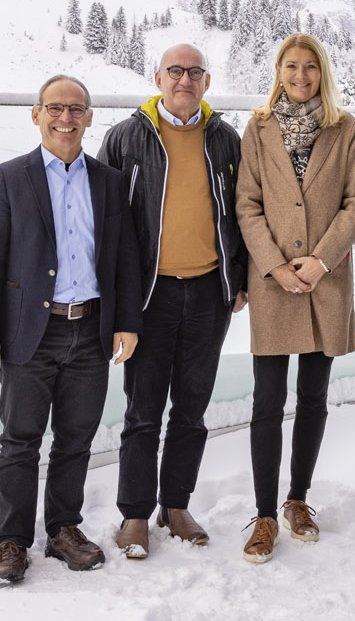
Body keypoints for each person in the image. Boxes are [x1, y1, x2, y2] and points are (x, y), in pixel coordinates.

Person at [0, 75, 143, 585]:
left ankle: (64, 529)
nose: (65, 118)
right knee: (19, 441)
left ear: (89, 118)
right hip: (30, 331)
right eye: (55, 108)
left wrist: (127, 322)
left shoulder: (109, 182)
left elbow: (124, 258)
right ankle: (12, 541)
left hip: (91, 330)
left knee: (76, 439)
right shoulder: (8, 178)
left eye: (76, 109)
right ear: (36, 114)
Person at [100, 42, 248, 558]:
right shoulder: (126, 138)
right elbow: (107, 221)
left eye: (195, 72)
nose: (185, 79)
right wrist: (116, 297)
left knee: (192, 408)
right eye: (175, 71)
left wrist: (240, 278)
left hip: (209, 293)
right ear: (158, 77)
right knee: (143, 410)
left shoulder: (225, 139)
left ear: (207, 82)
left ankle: (176, 505)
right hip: (149, 295)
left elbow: (243, 213)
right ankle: (135, 514)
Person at [234, 34, 355, 563]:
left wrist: (322, 260)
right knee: (267, 401)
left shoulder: (345, 128)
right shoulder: (258, 128)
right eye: (291, 66)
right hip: (273, 280)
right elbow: (247, 203)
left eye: (310, 67)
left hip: (324, 279)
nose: (300, 75)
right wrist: (273, 264)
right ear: (278, 71)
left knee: (313, 398)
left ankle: (297, 501)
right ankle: (264, 515)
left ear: (322, 73)